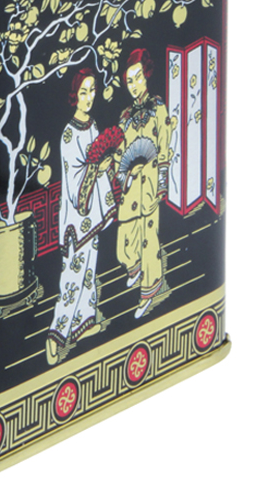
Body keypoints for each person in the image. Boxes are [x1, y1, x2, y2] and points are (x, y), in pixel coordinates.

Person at [46, 69, 124, 366]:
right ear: (74, 96)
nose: (89, 97)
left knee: (89, 272)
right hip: (77, 218)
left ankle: (83, 321)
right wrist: (97, 168)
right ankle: (56, 335)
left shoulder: (92, 126)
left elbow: (97, 159)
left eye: (92, 90)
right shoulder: (69, 134)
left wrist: (107, 164)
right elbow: (74, 179)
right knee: (72, 276)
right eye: (83, 92)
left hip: (92, 215)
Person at [116, 49, 172, 319]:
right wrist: (120, 172)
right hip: (130, 186)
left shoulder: (158, 108)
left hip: (149, 182)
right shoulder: (125, 116)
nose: (134, 85)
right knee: (125, 238)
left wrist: (162, 182)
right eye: (130, 80)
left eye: (138, 77)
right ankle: (133, 265)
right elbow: (121, 151)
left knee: (150, 237)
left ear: (147, 75)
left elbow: (164, 146)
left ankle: (149, 289)